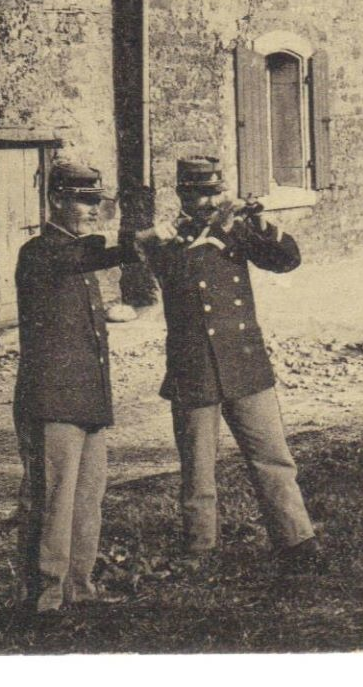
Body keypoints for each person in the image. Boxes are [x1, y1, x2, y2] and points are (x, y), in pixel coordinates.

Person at [138, 157, 326, 574]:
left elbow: (286, 259)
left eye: (215, 192)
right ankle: (199, 548)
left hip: (244, 361)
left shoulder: (236, 231)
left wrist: (254, 225)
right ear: (183, 196)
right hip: (195, 366)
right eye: (201, 194)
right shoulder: (165, 240)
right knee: (198, 468)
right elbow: (172, 273)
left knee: (272, 457)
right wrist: (213, 231)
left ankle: (297, 540)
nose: (210, 200)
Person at [13, 160, 161, 616]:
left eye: (98, 201)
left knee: (86, 500)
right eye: (84, 201)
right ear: (57, 200)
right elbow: (83, 255)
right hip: (51, 401)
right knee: (52, 500)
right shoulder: (41, 252)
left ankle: (79, 588)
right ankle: (43, 600)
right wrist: (136, 242)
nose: (93, 211)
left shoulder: (77, 254)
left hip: (87, 399)